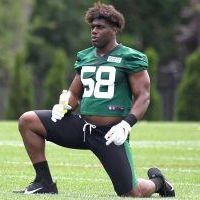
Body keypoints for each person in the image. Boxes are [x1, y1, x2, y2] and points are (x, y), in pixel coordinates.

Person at [14, 2, 175, 197]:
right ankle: (44, 182)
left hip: (110, 133)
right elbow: (75, 93)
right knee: (28, 121)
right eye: (92, 27)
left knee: (132, 192)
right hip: (82, 127)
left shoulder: (129, 57)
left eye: (100, 27)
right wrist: (64, 105)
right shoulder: (85, 57)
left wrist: (126, 124)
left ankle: (158, 183)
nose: (94, 31)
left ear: (114, 29)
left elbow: (144, 96)